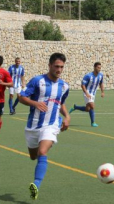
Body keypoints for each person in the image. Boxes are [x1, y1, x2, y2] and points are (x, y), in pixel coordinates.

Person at [19, 53, 70, 200]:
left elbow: (61, 103)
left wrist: (67, 116)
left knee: (42, 151)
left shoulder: (64, 86)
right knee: (33, 156)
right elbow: (21, 97)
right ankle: (44, 144)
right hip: (33, 126)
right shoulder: (37, 81)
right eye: (56, 66)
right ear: (49, 65)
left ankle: (36, 185)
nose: (59, 70)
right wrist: (35, 103)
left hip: (52, 125)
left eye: (61, 67)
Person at [68, 62, 105, 127]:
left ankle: (75, 107)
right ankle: (93, 123)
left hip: (93, 94)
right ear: (94, 67)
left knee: (88, 109)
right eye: (98, 68)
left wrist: (102, 92)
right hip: (87, 92)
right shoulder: (88, 76)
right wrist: (86, 93)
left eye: (100, 68)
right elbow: (83, 85)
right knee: (92, 106)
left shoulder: (101, 75)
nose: (99, 69)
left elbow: (101, 83)